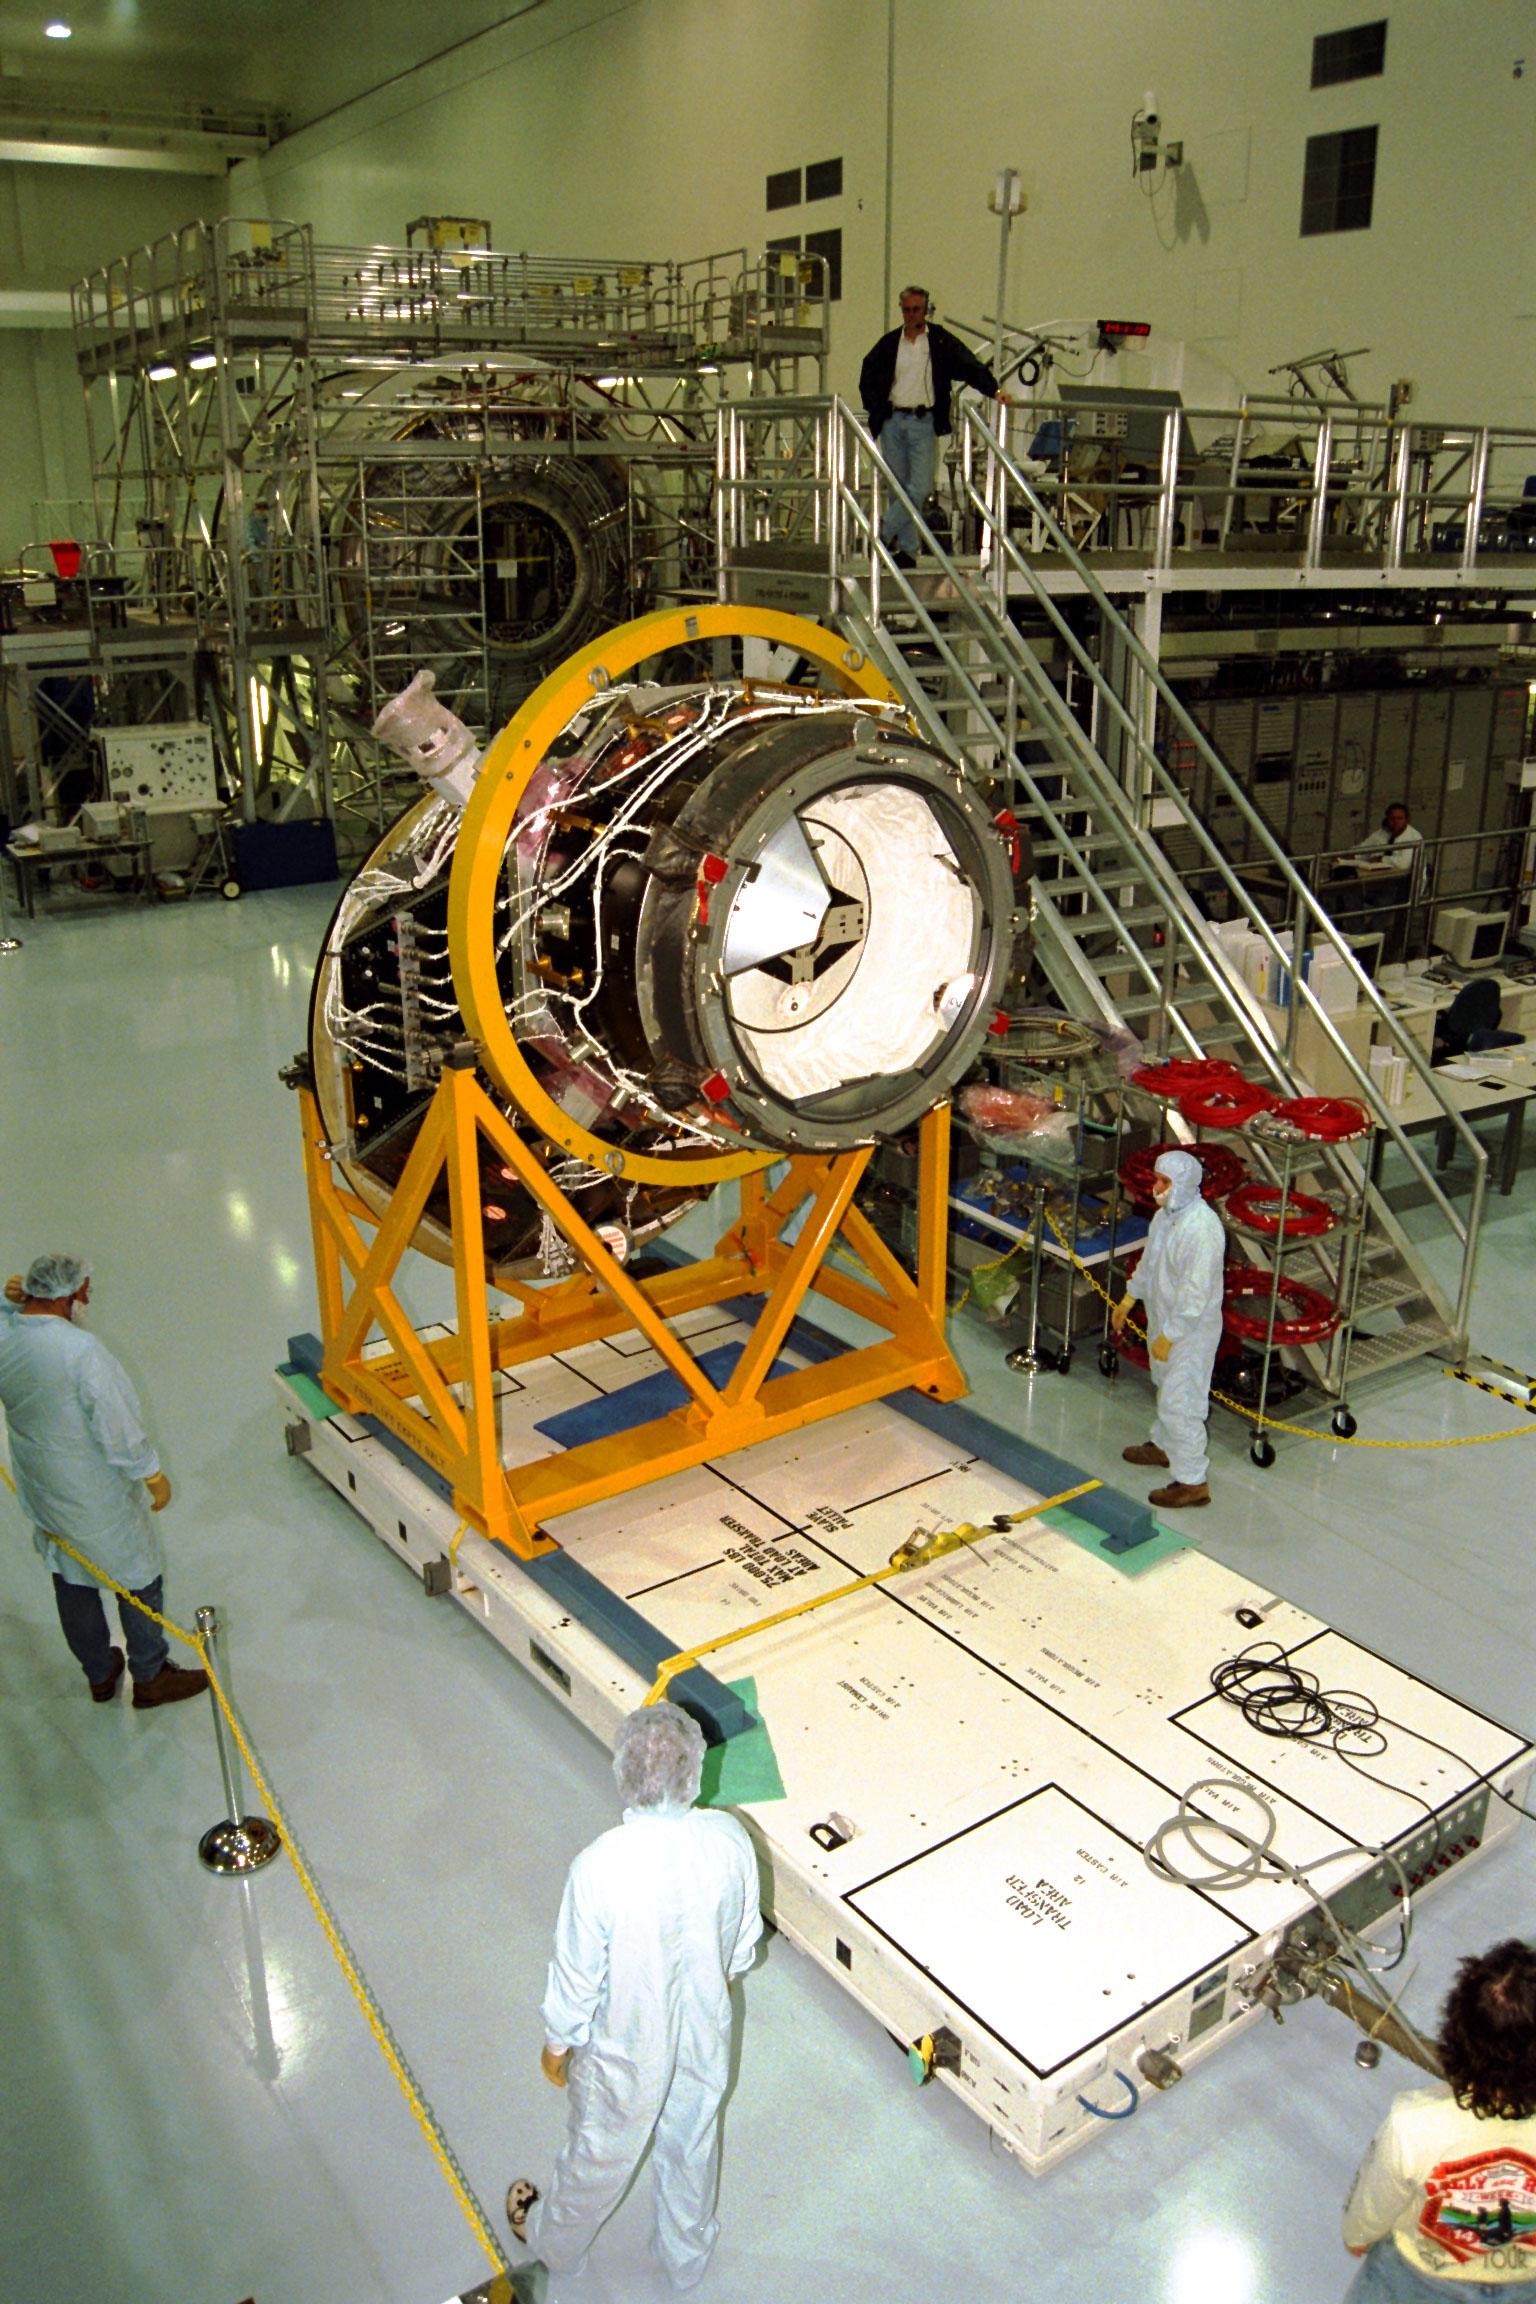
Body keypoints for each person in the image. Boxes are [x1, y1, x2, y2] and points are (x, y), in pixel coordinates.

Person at [507, 1702, 761, 2293]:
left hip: (625, 2049)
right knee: (691, 2143)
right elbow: (742, 1944)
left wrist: (557, 2043)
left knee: (598, 2154)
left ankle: (556, 2245)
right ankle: (685, 2256)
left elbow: (576, 1975)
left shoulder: (600, 1866)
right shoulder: (729, 1839)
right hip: (703, 2032)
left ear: (623, 1771)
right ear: (694, 1768)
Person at [0, 1254, 208, 1707]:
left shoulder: (8, 1335)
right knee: (139, 1578)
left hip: (43, 1489)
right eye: (84, 1292)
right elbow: (117, 1425)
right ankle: (150, 1676)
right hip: (92, 1494)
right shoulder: (81, 1352)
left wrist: (5, 1301)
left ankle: (98, 1671)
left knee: (71, 1577)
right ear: (64, 1296)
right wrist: (150, 1472)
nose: (88, 1301)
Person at [1342, 1938, 1536, 2296]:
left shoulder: (1414, 2123)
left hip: (1419, 2275)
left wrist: (1358, 2235)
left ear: (1456, 2033)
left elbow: (1377, 2197)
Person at [859, 285, 1011, 565]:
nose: (911, 315)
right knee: (898, 488)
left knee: (920, 486)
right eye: (906, 310)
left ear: (926, 310)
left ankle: (882, 530)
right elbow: (867, 372)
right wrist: (875, 407)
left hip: (923, 422)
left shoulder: (939, 342)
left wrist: (994, 390)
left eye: (916, 309)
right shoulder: (890, 344)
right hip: (893, 422)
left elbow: (969, 365)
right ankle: (907, 550)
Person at [1112, 1148, 1225, 1509]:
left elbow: (1195, 1294)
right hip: (1164, 1319)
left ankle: (1192, 1481)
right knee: (1165, 1386)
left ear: (1184, 1184)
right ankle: (1163, 1446)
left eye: (1164, 1182)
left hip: (1190, 1332)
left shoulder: (1202, 1229)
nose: (1156, 1188)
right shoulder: (1165, 1217)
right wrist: (1129, 1298)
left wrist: (1171, 1335)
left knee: (1182, 1402)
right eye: (1157, 1179)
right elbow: (1150, 1262)